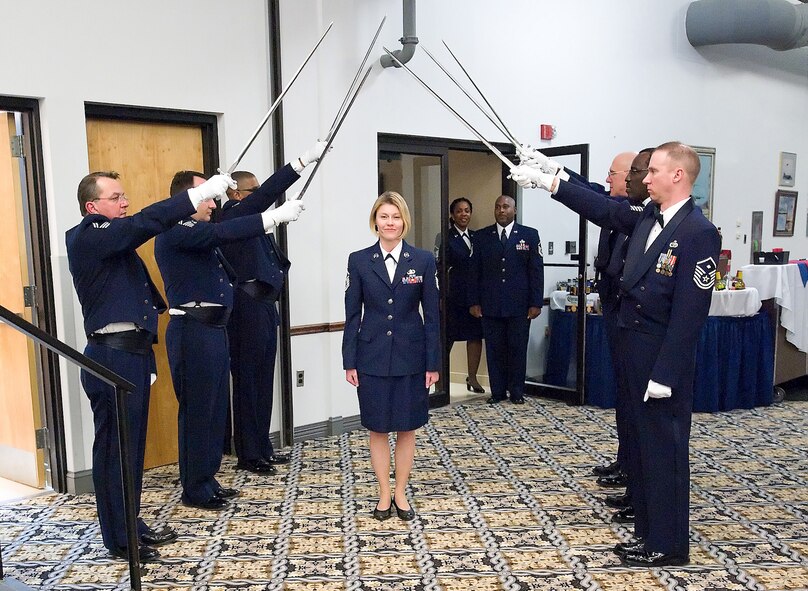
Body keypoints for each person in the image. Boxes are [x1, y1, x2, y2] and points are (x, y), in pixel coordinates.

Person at [512, 142, 720, 567]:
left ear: (677, 176)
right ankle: (648, 533)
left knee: (665, 452)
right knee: (643, 449)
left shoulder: (699, 233)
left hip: (661, 360)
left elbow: (689, 315)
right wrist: (551, 180)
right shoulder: (648, 217)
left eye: (654, 172)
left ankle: (668, 544)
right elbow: (603, 209)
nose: (645, 179)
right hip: (633, 350)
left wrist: (666, 373)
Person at [66, 170, 232, 562]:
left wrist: (148, 349)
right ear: (93, 207)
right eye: (116, 197)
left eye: (124, 196)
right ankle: (119, 538)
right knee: (115, 451)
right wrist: (197, 196)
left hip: (133, 352)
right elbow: (145, 223)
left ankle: (131, 520)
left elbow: (139, 299)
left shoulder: (113, 242)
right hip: (111, 355)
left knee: (133, 448)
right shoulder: (87, 236)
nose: (125, 203)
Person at [154, 171, 305, 511]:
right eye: (206, 197)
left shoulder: (197, 231)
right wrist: (272, 217)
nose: (212, 204)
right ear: (186, 199)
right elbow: (225, 230)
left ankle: (207, 479)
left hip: (213, 328)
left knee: (214, 410)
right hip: (192, 329)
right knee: (197, 412)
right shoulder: (176, 230)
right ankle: (194, 487)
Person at [219, 142, 325, 475]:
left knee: (264, 381)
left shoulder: (253, 222)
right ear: (237, 194)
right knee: (249, 381)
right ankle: (248, 453)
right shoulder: (233, 216)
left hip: (264, 307)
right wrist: (299, 163)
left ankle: (261, 445)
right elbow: (267, 197)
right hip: (246, 309)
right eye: (254, 190)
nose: (262, 195)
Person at [342, 191, 440, 521]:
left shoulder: (423, 260)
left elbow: (433, 315)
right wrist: (349, 360)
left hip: (412, 359)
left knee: (408, 428)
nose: (390, 223)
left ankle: (401, 492)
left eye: (395, 217)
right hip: (371, 358)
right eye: (384, 216)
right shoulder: (358, 260)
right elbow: (352, 314)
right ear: (375, 221)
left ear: (404, 222)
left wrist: (433, 363)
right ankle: (384, 493)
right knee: (378, 429)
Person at [468, 195, 544, 405]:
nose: (501, 210)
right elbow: (474, 272)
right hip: (490, 305)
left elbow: (536, 271)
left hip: (520, 306)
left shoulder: (529, 235)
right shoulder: (482, 236)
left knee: (518, 349)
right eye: (498, 207)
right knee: (495, 350)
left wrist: (536, 302)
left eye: (506, 207)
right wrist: (473, 301)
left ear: (514, 210)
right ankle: (498, 392)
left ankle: (517, 391)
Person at [435, 197, 485, 393]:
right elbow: (439, 268)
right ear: (452, 215)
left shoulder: (477, 237)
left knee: (475, 336)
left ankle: (472, 378)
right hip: (452, 297)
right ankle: (440, 383)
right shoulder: (445, 237)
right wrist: (439, 296)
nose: (463, 214)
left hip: (473, 298)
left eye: (467, 211)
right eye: (459, 211)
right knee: (447, 339)